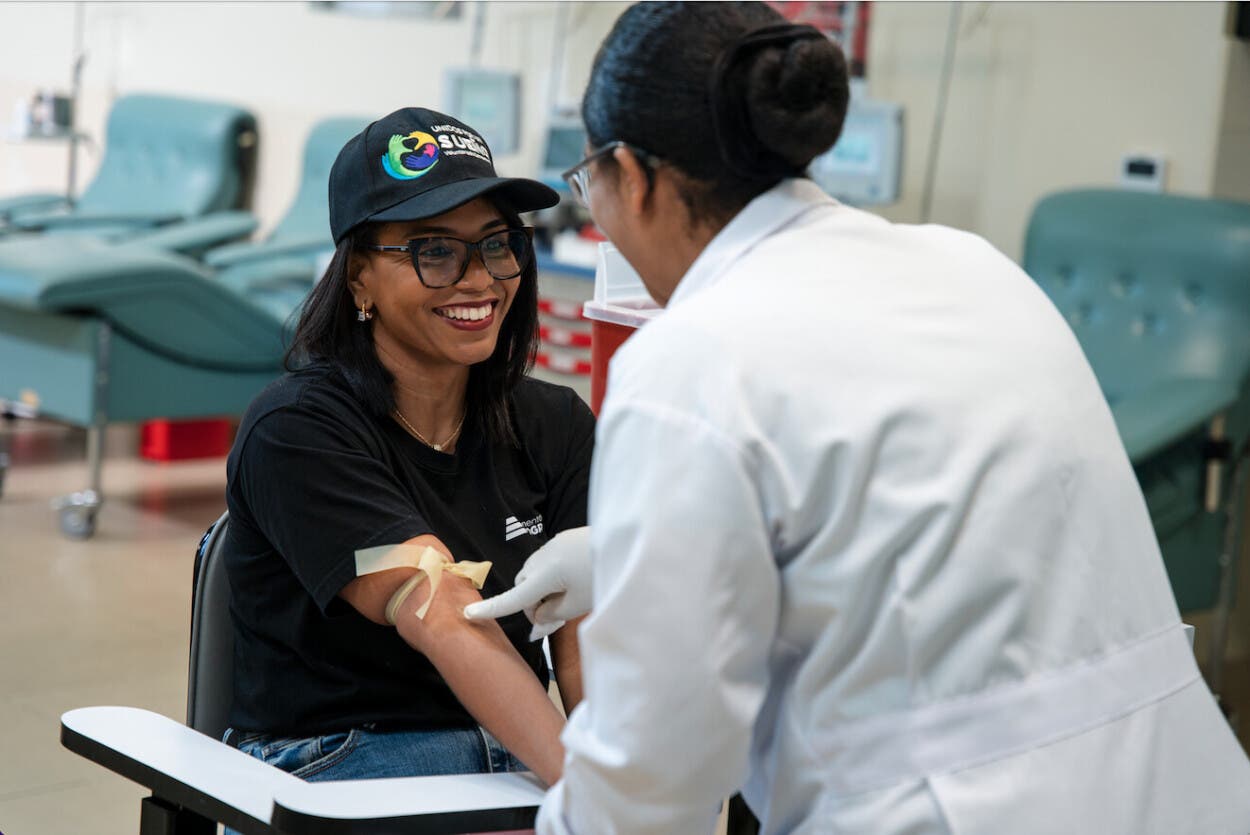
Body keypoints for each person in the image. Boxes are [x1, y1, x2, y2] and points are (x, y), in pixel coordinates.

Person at [463, 3, 1250, 833]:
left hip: (952, 807)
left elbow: (652, 782)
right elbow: (908, 515)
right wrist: (622, 553)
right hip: (1185, 783)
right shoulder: (972, 266)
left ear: (635, 173)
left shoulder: (692, 355)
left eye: (591, 186)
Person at [221, 107, 593, 788]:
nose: (479, 279)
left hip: (513, 758)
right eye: (435, 250)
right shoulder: (298, 429)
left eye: (497, 243)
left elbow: (581, 635)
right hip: (341, 763)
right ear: (359, 276)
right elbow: (440, 609)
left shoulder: (555, 424)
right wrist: (595, 792)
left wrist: (621, 772)